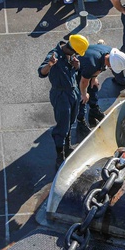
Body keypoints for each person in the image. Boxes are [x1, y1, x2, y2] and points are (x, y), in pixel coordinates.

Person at [39, 35, 84, 167]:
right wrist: (50, 65)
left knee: (71, 121)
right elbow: (41, 72)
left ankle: (67, 145)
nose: (76, 54)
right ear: (70, 48)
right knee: (62, 127)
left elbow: (75, 72)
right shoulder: (54, 55)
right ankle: (60, 154)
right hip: (61, 94)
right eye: (75, 52)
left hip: (73, 92)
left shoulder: (70, 54)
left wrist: (77, 66)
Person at [75, 37, 125, 137]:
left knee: (93, 88)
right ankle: (80, 121)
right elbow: (83, 82)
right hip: (79, 72)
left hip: (90, 71)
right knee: (81, 99)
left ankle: (94, 110)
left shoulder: (108, 53)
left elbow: (101, 67)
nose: (111, 68)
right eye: (111, 66)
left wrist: (94, 77)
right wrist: (84, 94)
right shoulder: (92, 63)